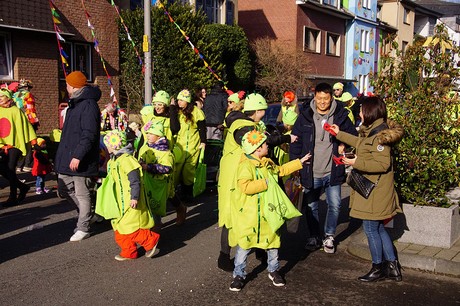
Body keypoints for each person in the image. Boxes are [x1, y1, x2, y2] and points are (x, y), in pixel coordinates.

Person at [217, 93, 297, 272]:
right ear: (259, 111)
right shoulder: (243, 127)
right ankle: (226, 256)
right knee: (235, 214)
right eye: (264, 110)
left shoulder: (242, 123)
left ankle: (255, 248)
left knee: (248, 211)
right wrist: (285, 138)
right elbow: (259, 143)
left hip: (237, 173)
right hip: (238, 175)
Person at [330, 96, 403, 282]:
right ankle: (392, 267)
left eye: (361, 110)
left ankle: (377, 268)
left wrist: (356, 162)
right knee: (379, 229)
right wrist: (339, 133)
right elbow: (360, 143)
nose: (359, 113)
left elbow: (382, 163)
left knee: (371, 229)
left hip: (374, 192)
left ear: (370, 112)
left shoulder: (379, 136)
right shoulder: (373, 131)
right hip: (374, 190)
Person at [228, 130, 311, 291]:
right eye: (265, 143)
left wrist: (299, 162)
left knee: (272, 244)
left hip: (268, 214)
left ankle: (273, 270)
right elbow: (244, 186)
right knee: (244, 247)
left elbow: (280, 170)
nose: (268, 145)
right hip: (250, 216)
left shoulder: (267, 162)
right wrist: (265, 183)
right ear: (257, 148)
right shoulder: (245, 166)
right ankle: (239, 274)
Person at [289, 82, 357, 253]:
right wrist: (294, 165)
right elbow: (296, 142)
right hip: (311, 171)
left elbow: (354, 137)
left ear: (331, 98)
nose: (322, 102)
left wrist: (343, 143)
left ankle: (329, 236)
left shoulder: (341, 115)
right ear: (315, 97)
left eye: (325, 99)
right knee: (312, 206)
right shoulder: (305, 115)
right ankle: (314, 236)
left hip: (332, 168)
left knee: (335, 206)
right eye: (319, 98)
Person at [98, 130, 160, 261]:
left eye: (107, 144)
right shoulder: (113, 161)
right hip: (118, 202)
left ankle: (150, 241)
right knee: (119, 227)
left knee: (130, 226)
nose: (106, 147)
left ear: (115, 145)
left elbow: (135, 180)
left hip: (128, 200)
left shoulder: (127, 160)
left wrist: (134, 197)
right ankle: (129, 251)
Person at [55, 71, 101, 242]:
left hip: (81, 159)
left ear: (73, 86)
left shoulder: (88, 105)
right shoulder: (74, 103)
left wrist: (78, 155)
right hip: (68, 156)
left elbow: (89, 134)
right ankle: (89, 214)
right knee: (64, 188)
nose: (65, 87)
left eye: (67, 84)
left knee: (82, 194)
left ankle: (84, 227)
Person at [0, 88, 36, 206]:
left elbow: (26, 126)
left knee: (10, 169)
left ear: (8, 98)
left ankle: (12, 197)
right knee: (3, 169)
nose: (0, 99)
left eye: (1, 97)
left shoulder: (16, 111)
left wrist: (34, 141)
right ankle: (22, 187)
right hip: (2, 144)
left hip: (15, 145)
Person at [138, 121, 175, 226]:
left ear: (158, 136)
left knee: (155, 211)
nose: (148, 135)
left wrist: (148, 167)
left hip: (157, 186)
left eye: (151, 133)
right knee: (146, 208)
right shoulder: (147, 146)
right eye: (147, 133)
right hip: (145, 183)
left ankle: (155, 235)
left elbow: (167, 168)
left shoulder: (165, 152)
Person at [174, 89, 206, 200]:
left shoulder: (196, 112)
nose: (179, 102)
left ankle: (188, 193)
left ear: (187, 101)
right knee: (177, 170)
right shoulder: (177, 112)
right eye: (178, 100)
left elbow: (202, 128)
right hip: (179, 146)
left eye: (181, 100)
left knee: (189, 170)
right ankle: (175, 192)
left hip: (193, 145)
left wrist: (203, 142)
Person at [13, 79, 39, 172]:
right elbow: (30, 109)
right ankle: (27, 165)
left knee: (20, 143)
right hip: (27, 122)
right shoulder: (28, 95)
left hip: (17, 122)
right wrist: (34, 122)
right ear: (27, 87)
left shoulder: (14, 95)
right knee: (29, 143)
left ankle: (18, 166)